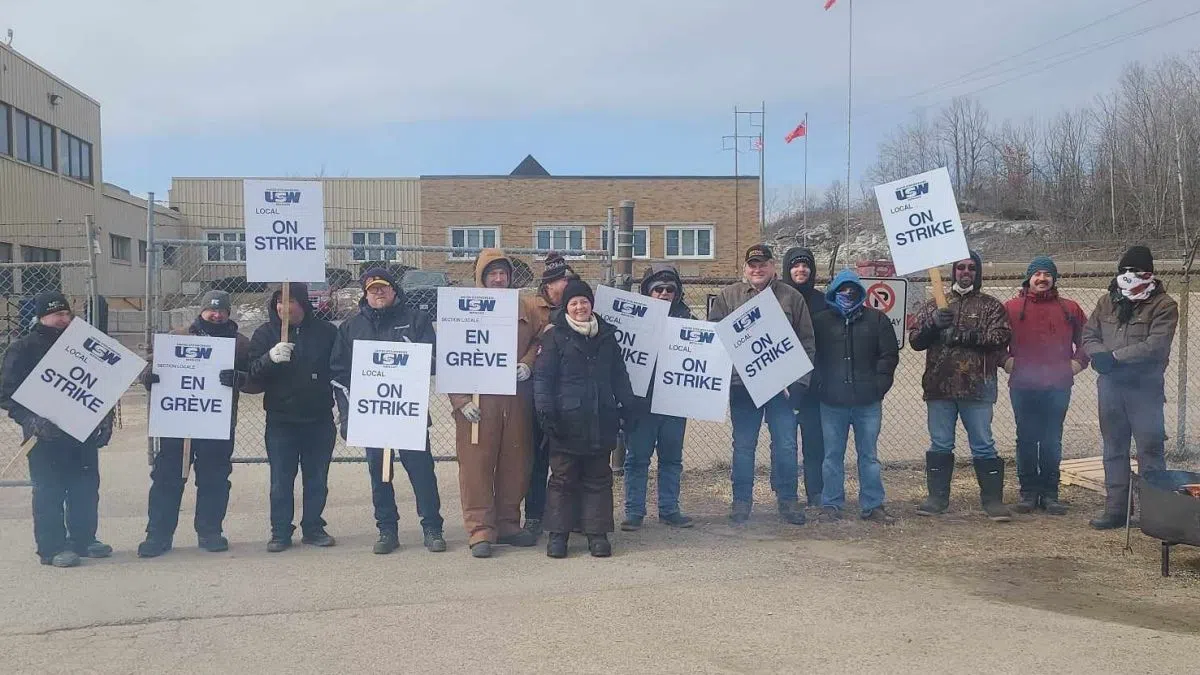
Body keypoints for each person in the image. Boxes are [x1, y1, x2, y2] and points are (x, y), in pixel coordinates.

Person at [330, 269, 446, 554]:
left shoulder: (416, 320)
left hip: (408, 413)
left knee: (421, 471)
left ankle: (432, 526)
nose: (378, 293)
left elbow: (434, 362)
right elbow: (339, 374)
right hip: (372, 417)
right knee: (379, 474)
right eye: (372, 290)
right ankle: (387, 529)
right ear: (365, 295)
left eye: (383, 288)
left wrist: (418, 354)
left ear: (394, 291)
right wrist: (347, 415)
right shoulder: (351, 327)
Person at [137, 290, 261, 557]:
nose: (216, 315)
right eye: (211, 310)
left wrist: (239, 378)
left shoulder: (240, 344)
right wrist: (150, 376)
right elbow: (148, 367)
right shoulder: (177, 338)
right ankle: (158, 535)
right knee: (166, 478)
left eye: (221, 311)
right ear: (202, 311)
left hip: (216, 423)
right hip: (177, 423)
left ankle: (210, 531)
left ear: (228, 313)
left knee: (214, 479)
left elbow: (256, 379)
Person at [0, 291, 114, 567]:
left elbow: (104, 386)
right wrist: (30, 419)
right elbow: (6, 392)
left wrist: (105, 417)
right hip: (44, 436)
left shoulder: (85, 346)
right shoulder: (23, 348)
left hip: (81, 432)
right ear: (41, 317)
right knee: (49, 491)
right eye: (56, 314)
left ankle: (83, 540)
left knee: (85, 488)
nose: (63, 319)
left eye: (66, 314)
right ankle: (51, 548)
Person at [709, 244, 817, 525]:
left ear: (772, 267)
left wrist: (800, 382)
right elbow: (715, 339)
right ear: (745, 268)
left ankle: (788, 501)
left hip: (783, 388)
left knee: (786, 445)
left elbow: (807, 341)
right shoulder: (728, 296)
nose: (757, 269)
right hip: (742, 387)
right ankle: (741, 503)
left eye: (763, 264)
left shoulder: (791, 298)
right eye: (752, 265)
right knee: (743, 446)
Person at [448, 250, 546, 558]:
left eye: (503, 273)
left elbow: (541, 339)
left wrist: (529, 362)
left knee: (515, 463)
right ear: (482, 277)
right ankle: (480, 530)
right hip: (478, 404)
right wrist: (461, 401)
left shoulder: (525, 308)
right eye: (493, 273)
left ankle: (507, 523)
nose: (499, 278)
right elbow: (452, 355)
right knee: (476, 467)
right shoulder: (463, 309)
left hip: (515, 400)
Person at [533, 279, 635, 558]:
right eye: (574, 302)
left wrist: (628, 405)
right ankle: (558, 536)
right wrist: (546, 413)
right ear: (566, 307)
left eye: (584, 302)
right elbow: (542, 379)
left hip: (601, 419)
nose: (580, 307)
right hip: (566, 422)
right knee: (562, 479)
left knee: (598, 478)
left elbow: (619, 375)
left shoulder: (606, 336)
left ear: (591, 305)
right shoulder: (554, 337)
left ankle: (597, 534)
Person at [910, 251, 1013, 522]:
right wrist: (932, 326)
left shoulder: (991, 306)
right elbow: (916, 341)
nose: (965, 272)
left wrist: (966, 336)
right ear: (953, 271)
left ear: (977, 273)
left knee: (983, 444)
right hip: (939, 388)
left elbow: (1001, 336)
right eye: (960, 267)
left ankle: (992, 501)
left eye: (971, 268)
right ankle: (937, 498)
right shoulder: (936, 305)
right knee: (940, 443)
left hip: (978, 387)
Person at [1083, 246, 1178, 530]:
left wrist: (1113, 358)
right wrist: (1098, 354)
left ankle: (1153, 512)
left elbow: (1155, 345)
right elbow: (1089, 334)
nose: (1128, 276)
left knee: (1149, 449)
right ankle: (1116, 510)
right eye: (1123, 271)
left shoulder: (1164, 305)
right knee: (1113, 448)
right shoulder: (1106, 302)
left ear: (1148, 273)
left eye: (1135, 271)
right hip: (1110, 388)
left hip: (1144, 389)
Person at [247, 282, 339, 553]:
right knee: (280, 480)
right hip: (281, 421)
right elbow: (252, 373)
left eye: (289, 302)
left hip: (318, 419)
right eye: (278, 302)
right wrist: (269, 358)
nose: (282, 308)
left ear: (302, 304)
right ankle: (280, 531)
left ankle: (313, 527)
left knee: (316, 478)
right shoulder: (265, 334)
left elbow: (340, 368)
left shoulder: (325, 332)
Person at [811, 270, 899, 524]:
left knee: (869, 456)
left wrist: (878, 386)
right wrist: (821, 386)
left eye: (852, 290)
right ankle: (831, 503)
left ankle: (873, 504)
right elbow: (812, 356)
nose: (847, 295)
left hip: (867, 402)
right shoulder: (821, 321)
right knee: (831, 456)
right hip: (832, 402)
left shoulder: (877, 320)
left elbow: (888, 356)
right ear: (833, 292)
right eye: (842, 290)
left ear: (860, 293)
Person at [1002, 256, 1088, 516]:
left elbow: (1089, 340)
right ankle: (1028, 492)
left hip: (1057, 385)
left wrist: (1078, 364)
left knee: (1051, 440)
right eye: (1037, 274)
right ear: (1028, 278)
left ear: (1054, 279)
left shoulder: (1070, 308)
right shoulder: (1011, 308)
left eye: (1047, 274)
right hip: (1023, 385)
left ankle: (1050, 493)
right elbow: (995, 341)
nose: (1042, 279)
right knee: (1026, 439)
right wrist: (1004, 361)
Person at [620, 264, 696, 531]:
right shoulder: (633, 320)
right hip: (641, 403)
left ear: (677, 293)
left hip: (675, 401)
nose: (664, 294)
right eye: (658, 289)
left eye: (670, 289)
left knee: (671, 459)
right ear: (647, 292)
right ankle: (633, 512)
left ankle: (669, 509)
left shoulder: (689, 320)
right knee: (637, 459)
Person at [521, 252, 575, 538]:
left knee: (567, 460)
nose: (567, 285)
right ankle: (534, 515)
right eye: (564, 281)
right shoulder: (530, 306)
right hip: (538, 393)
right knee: (538, 459)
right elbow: (524, 342)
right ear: (550, 285)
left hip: (568, 395)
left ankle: (567, 515)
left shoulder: (577, 306)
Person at [783, 246, 829, 507]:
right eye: (795, 265)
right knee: (784, 444)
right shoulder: (776, 299)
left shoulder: (822, 302)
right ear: (787, 269)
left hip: (813, 386)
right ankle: (785, 494)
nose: (801, 270)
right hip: (783, 387)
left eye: (806, 265)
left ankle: (816, 492)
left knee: (814, 442)